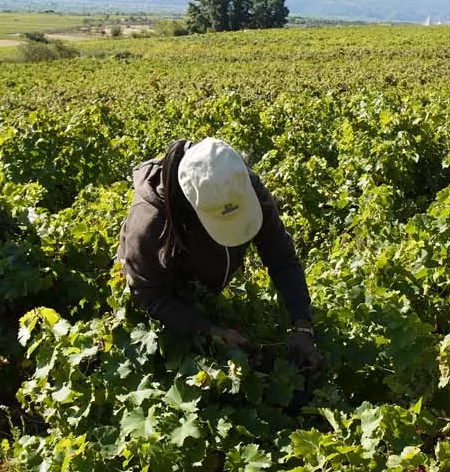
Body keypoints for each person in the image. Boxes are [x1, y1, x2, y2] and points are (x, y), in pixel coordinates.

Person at [117, 136, 323, 371]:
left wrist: (303, 326)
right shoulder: (149, 226)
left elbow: (282, 259)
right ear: (190, 208)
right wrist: (207, 329)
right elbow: (151, 297)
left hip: (204, 283)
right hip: (157, 292)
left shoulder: (238, 185)